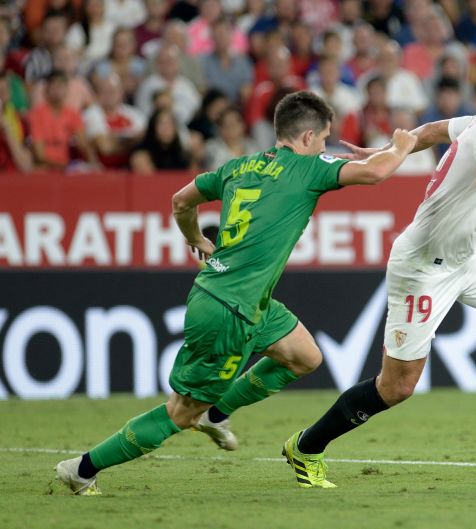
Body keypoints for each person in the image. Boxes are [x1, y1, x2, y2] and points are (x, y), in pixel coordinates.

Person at [53, 90, 417, 495]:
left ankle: (219, 412)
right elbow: (376, 173)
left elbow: (180, 201)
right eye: (325, 139)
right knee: (180, 413)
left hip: (248, 300)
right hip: (230, 311)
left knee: (303, 357)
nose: (325, 148)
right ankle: (82, 469)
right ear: (307, 137)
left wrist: (196, 240)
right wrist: (401, 147)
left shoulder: (238, 166)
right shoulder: (307, 169)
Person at [280, 48, 476, 487]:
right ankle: (306, 447)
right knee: (396, 387)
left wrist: (395, 146)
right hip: (423, 266)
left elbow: (435, 130)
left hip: (467, 253)